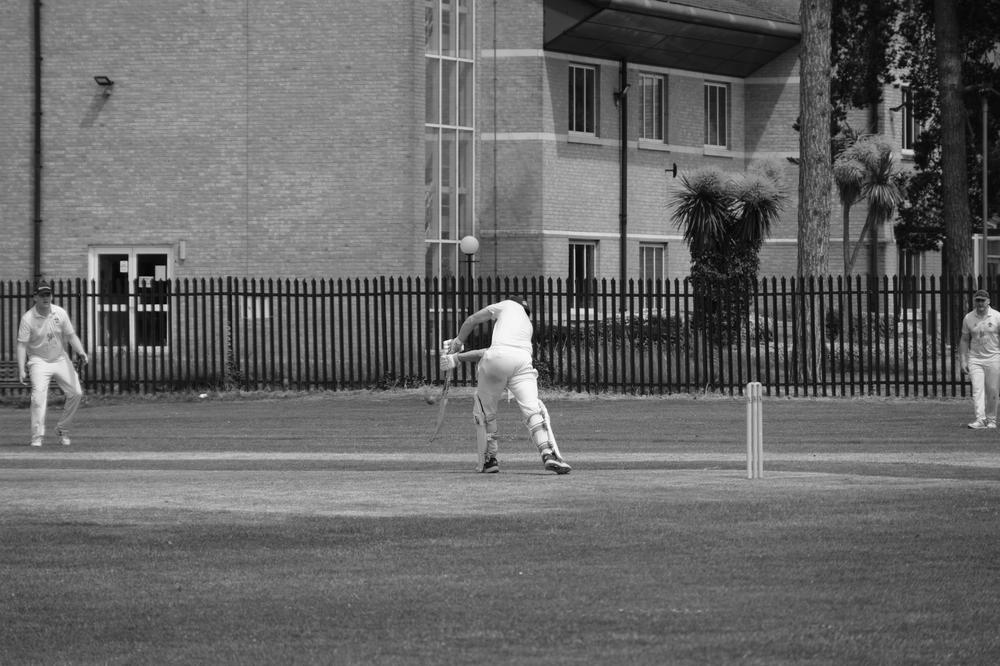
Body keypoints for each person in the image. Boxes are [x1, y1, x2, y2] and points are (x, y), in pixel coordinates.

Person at [439, 298, 571, 474]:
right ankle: (548, 453)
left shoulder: (506, 305)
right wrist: (456, 357)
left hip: (498, 359)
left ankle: (490, 460)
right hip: (523, 362)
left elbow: (472, 321)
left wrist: (457, 346)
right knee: (533, 411)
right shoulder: (527, 325)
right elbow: (502, 353)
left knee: (486, 413)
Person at [16, 279, 89, 446]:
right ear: (35, 297)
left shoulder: (60, 313)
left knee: (76, 393)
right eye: (42, 295)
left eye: (48, 294)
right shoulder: (28, 318)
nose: (45, 298)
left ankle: (62, 429)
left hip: (60, 358)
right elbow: (21, 345)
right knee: (38, 398)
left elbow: (71, 336)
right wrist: (21, 369)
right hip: (38, 361)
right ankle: (37, 437)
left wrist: (81, 351)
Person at [959, 288, 1000, 429]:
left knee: (993, 390)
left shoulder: (997, 317)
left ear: (988, 301)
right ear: (974, 301)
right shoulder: (968, 318)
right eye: (978, 300)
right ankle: (981, 419)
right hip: (975, 359)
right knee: (977, 389)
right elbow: (964, 339)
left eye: (983, 300)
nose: (980, 303)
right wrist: (963, 360)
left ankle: (992, 419)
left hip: (994, 357)